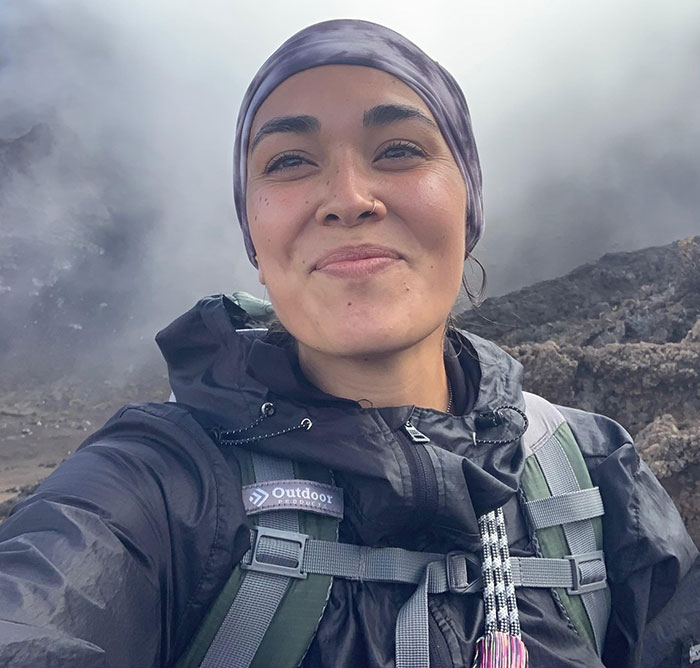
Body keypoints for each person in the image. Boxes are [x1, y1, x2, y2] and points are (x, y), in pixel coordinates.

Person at [0, 18, 698, 668]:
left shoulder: (594, 472)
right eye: (289, 161)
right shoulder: (157, 481)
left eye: (399, 149)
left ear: (467, 202)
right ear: (255, 233)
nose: (348, 196)